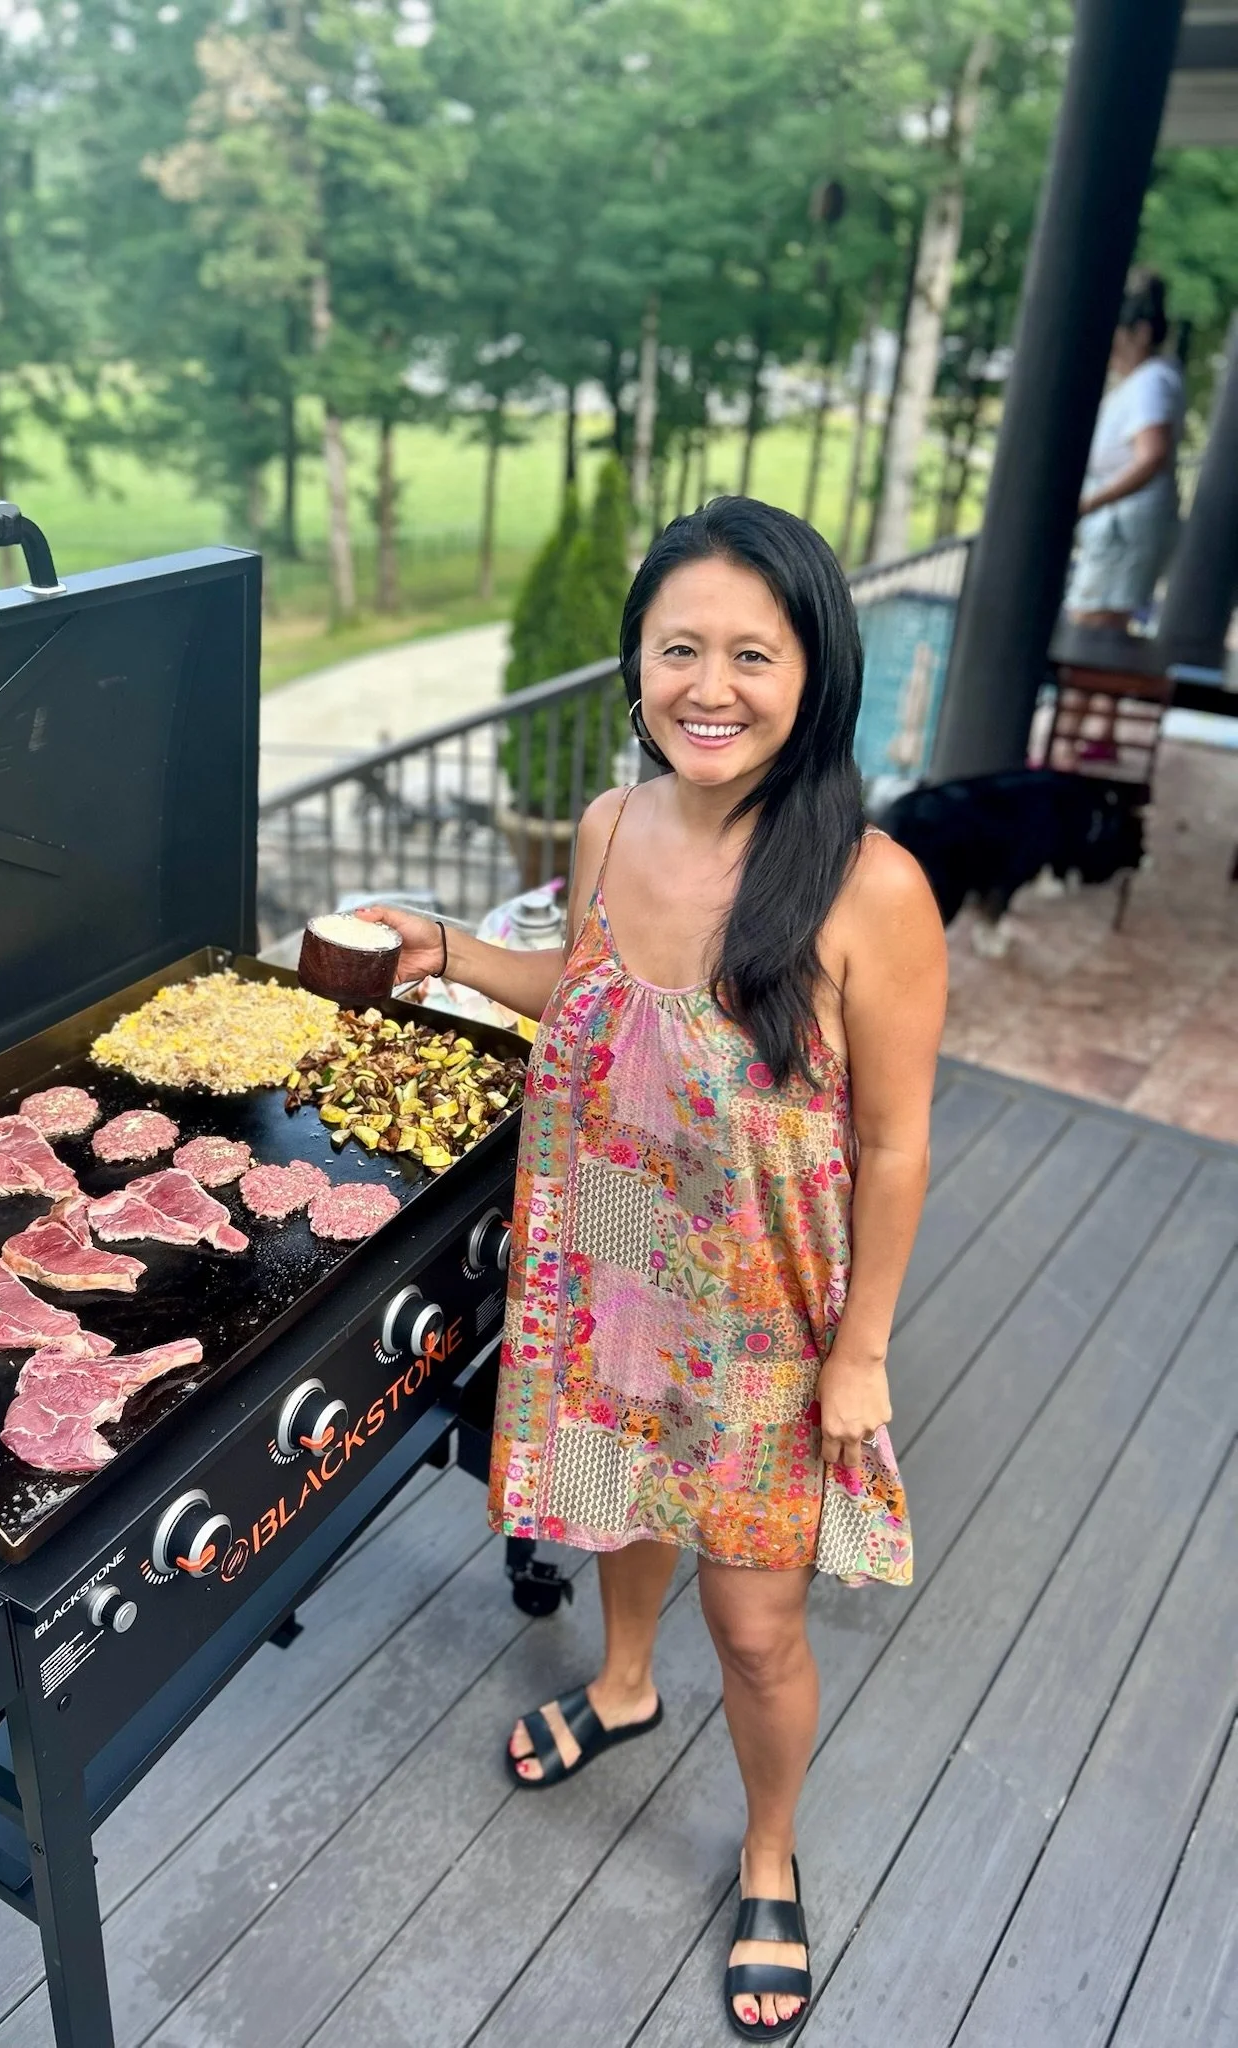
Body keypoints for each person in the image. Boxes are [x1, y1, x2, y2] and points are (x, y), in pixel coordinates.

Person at [359, 495, 946, 2041]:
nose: (711, 684)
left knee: (756, 1624)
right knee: (622, 1500)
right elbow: (590, 991)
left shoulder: (870, 887)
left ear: (814, 674)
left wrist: (864, 1352)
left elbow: (895, 1146)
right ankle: (623, 1684)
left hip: (768, 1312)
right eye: (679, 646)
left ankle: (767, 1851)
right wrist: (450, 951)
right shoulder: (613, 828)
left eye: (753, 652)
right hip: (616, 1252)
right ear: (637, 666)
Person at [1067, 272, 1184, 632]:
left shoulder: (1150, 383)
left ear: (1141, 334)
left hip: (1121, 533)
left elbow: (1151, 456)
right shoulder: (1147, 380)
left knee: (1092, 631)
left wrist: (1092, 501)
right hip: (1118, 532)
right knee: (1096, 632)